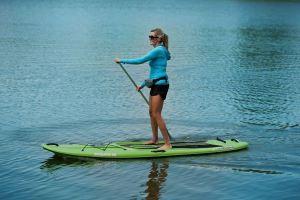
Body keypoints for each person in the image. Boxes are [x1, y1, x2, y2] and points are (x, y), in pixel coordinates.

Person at [114, 28, 172, 150]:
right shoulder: (160, 50)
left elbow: (140, 60)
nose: (150, 39)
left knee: (157, 114)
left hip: (161, 85)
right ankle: (155, 139)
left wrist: (122, 60)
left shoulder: (159, 50)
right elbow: (154, 73)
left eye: (152, 37)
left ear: (159, 38)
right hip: (155, 83)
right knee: (151, 113)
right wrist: (142, 85)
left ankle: (167, 143)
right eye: (149, 37)